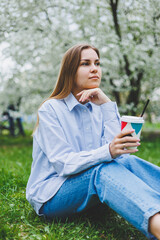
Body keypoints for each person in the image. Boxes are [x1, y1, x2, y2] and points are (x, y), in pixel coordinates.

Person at [26, 44, 160, 239]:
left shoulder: (99, 106)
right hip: (52, 195)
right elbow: (63, 163)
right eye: (85, 64)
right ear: (70, 71)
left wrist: (107, 105)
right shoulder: (50, 110)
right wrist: (109, 151)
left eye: (97, 63)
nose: (95, 68)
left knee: (126, 162)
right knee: (101, 170)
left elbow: (118, 155)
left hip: (91, 190)